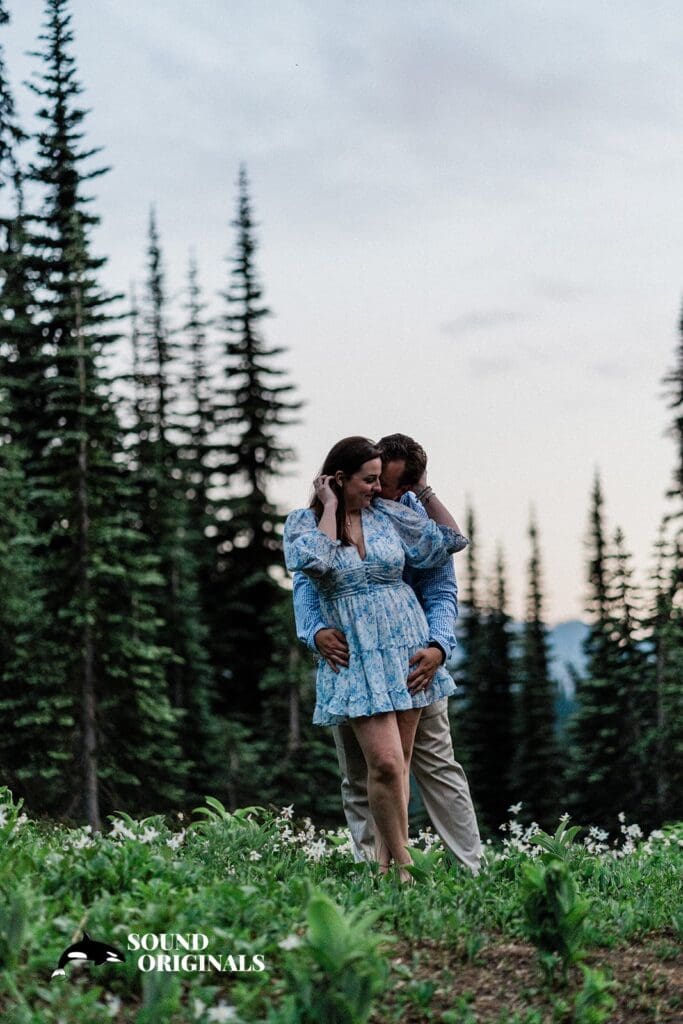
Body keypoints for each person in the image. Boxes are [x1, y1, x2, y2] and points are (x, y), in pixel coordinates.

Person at [293, 433, 482, 875]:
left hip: (412, 653)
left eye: (394, 484)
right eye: (377, 481)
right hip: (354, 656)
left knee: (431, 765)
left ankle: (469, 868)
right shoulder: (318, 518)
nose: (383, 492)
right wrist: (315, 630)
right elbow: (307, 577)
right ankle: (377, 868)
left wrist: (438, 645)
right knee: (366, 770)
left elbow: (443, 577)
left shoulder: (403, 513)